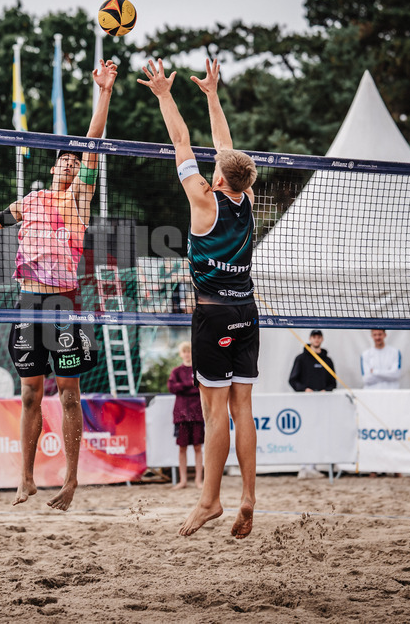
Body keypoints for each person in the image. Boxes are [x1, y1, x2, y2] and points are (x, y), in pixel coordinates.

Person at [0, 57, 117, 511]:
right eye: (63, 159)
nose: (68, 163)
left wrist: (104, 91)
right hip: (28, 302)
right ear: (52, 167)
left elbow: (93, 140)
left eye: (73, 160)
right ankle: (24, 479)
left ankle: (71, 479)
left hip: (64, 303)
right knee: (28, 393)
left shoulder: (78, 198)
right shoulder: (33, 199)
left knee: (70, 394)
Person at [139, 57, 258, 539]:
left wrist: (165, 93)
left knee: (214, 412)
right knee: (242, 407)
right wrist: (212, 95)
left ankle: (210, 501)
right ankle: (249, 497)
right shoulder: (243, 197)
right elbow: (226, 148)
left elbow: (182, 141)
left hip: (213, 315)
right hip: (248, 311)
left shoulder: (202, 198)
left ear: (219, 178)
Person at [289, 330, 335, 479]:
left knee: (318, 433)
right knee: (304, 433)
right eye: (314, 337)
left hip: (321, 403)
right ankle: (303, 467)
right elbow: (293, 380)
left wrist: (325, 390)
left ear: (321, 339)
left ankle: (312, 467)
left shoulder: (327, 360)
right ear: (310, 339)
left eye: (318, 337)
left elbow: (333, 383)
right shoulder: (301, 359)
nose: (316, 339)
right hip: (305, 402)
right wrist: (304, 389)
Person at [168, 341, 204, 490]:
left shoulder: (199, 371)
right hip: (181, 415)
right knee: (182, 448)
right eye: (185, 351)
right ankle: (183, 480)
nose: (187, 354)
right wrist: (190, 384)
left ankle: (198, 480)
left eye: (189, 351)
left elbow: (201, 388)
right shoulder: (176, 371)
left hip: (197, 414)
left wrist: (184, 387)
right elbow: (172, 387)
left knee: (197, 447)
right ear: (181, 354)